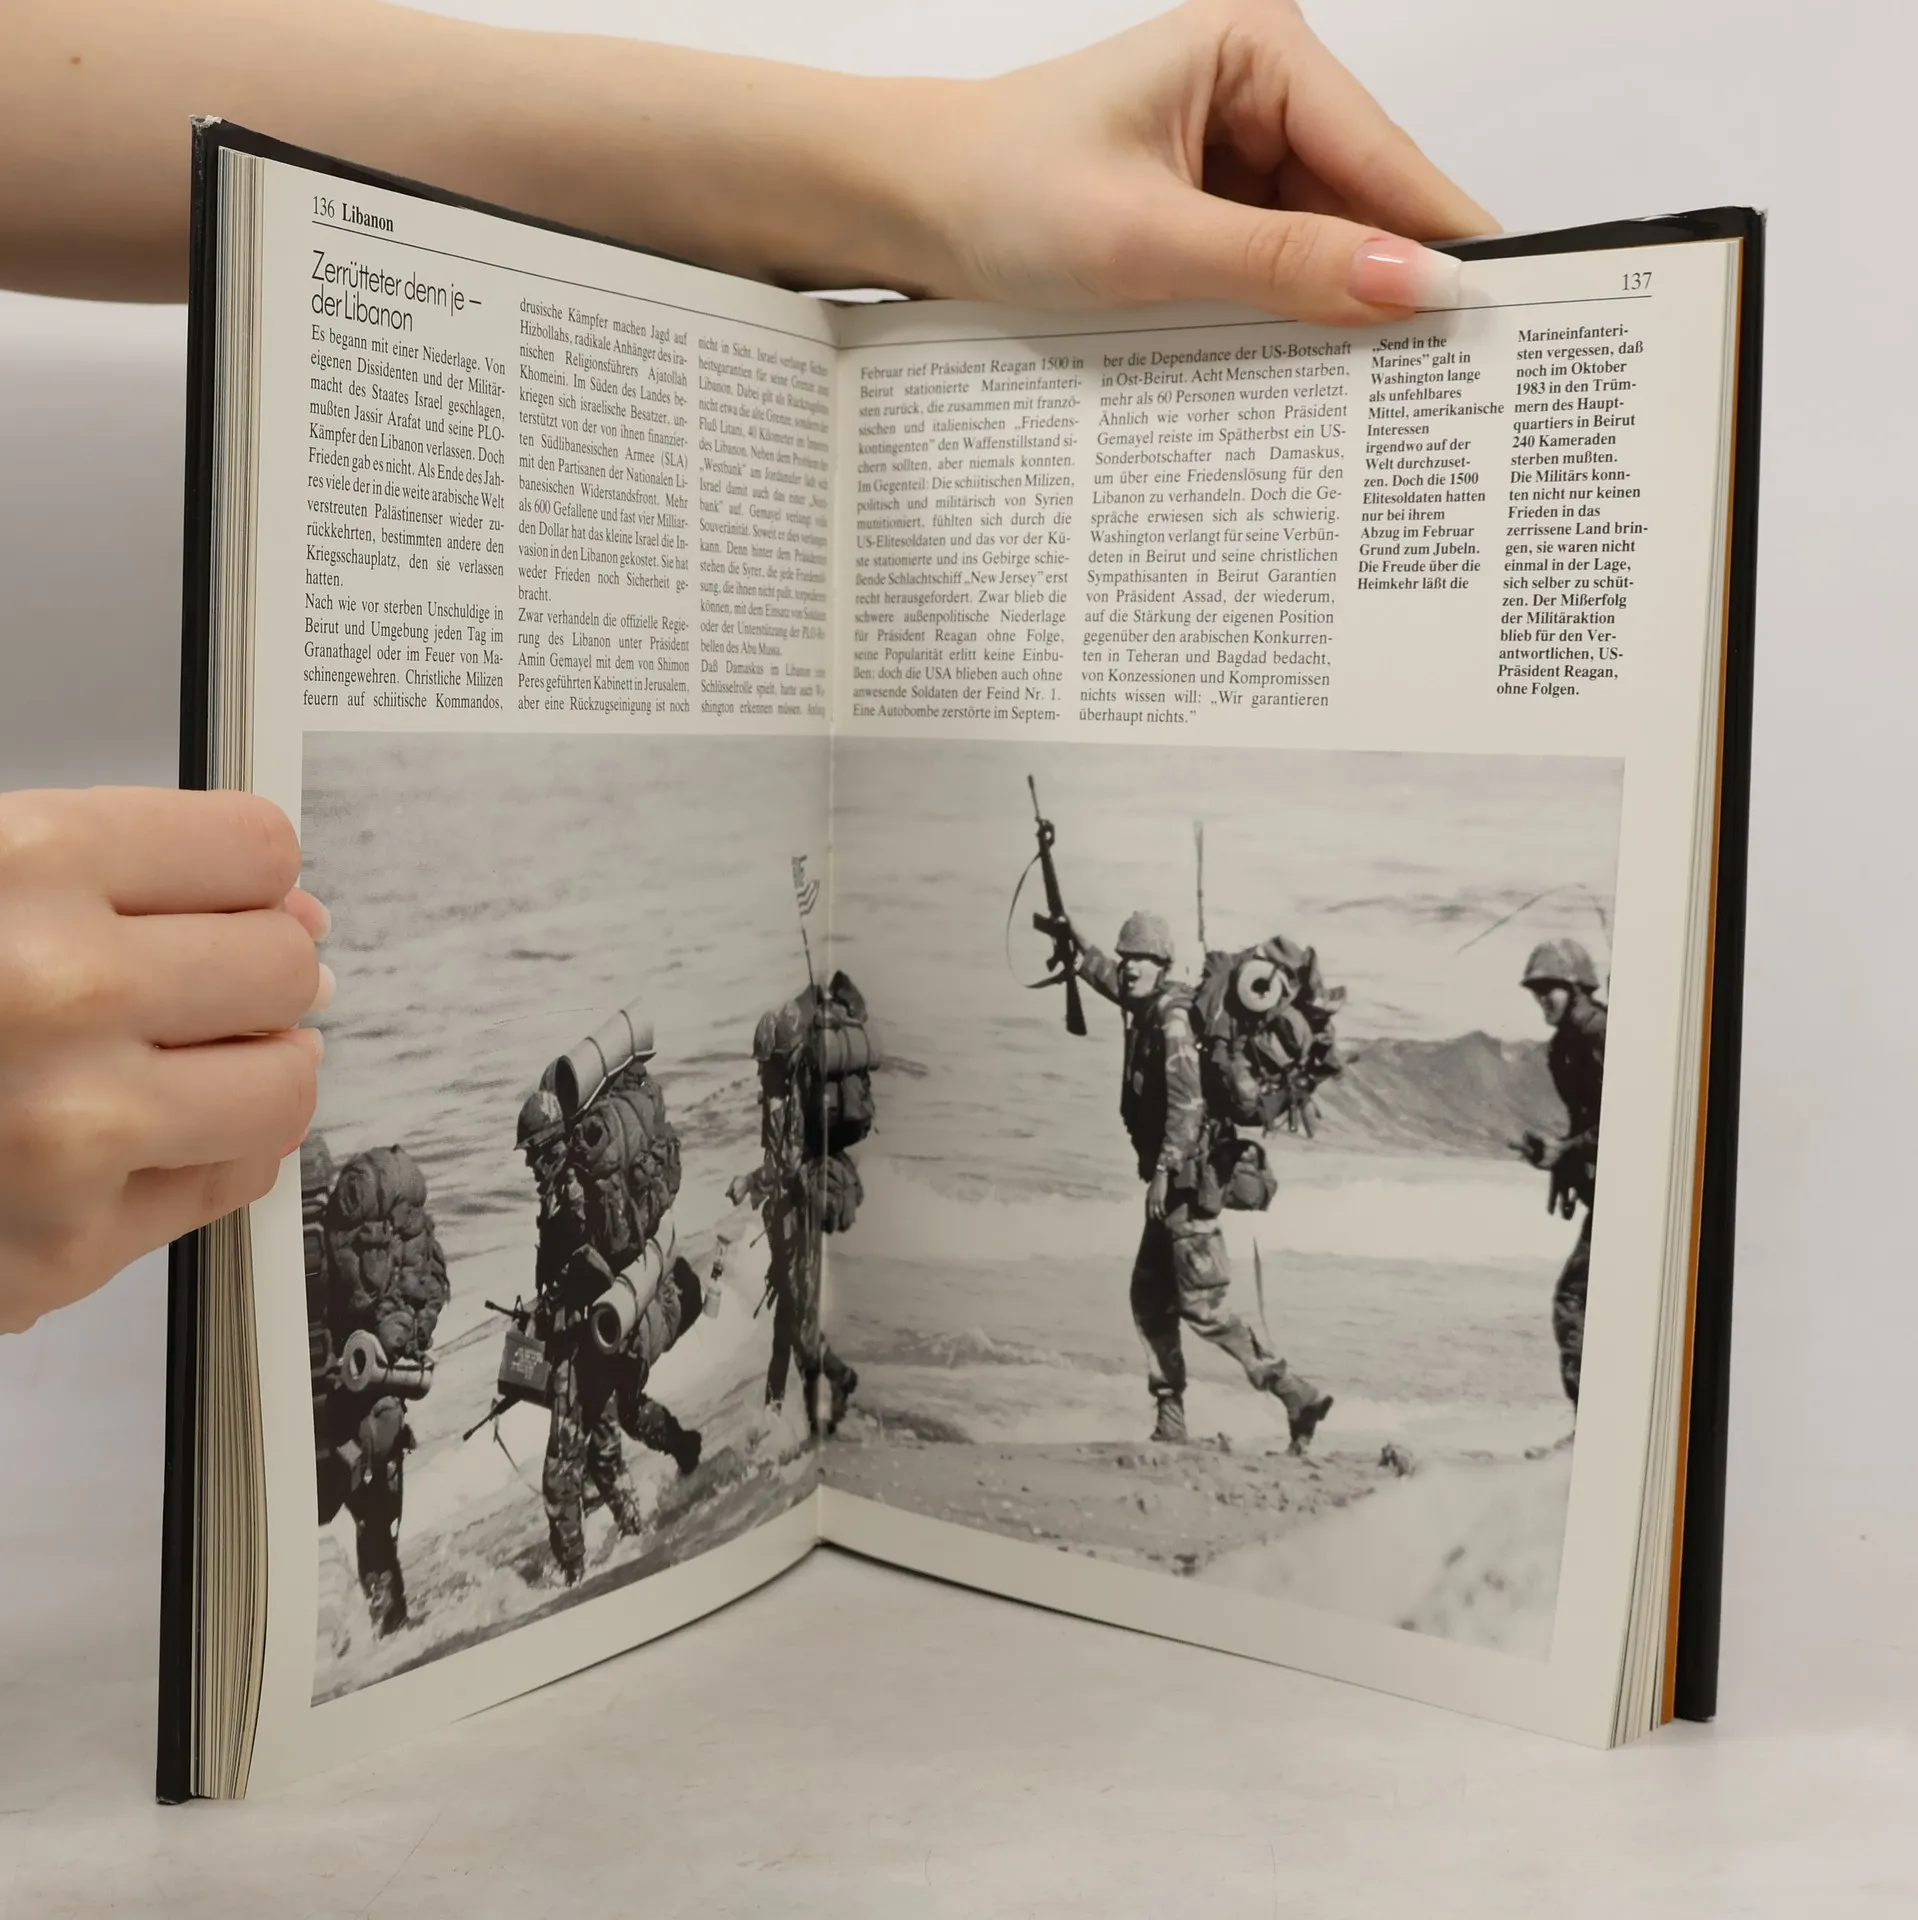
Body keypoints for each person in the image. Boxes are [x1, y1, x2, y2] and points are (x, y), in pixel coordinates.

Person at [0, 0, 1492, 1336]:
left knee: (1156, 1299)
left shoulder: (1165, 1020)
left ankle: (1226, 1391)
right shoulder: (1130, 1003)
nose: (1151, 974)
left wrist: (926, 176)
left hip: (1155, 1181)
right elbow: (1097, 972)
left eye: (1154, 964)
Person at [1072, 911, 1332, 1450]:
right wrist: (1074, 941)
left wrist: (1162, 1172)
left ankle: (1294, 1394)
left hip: (1187, 1184)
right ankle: (1171, 1419)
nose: (1129, 968)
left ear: (1163, 964)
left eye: (1141, 959)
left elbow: (1187, 1106)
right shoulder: (1149, 1003)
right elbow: (1113, 981)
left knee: (1204, 1309)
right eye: (1125, 958)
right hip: (1176, 1186)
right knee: (1150, 1296)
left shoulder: (1172, 1021)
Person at [517, 1084, 700, 1586]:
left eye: (534, 1154)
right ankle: (643, 1518)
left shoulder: (572, 1195)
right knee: (609, 1441)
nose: (530, 1165)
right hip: (605, 1339)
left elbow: (591, 1270)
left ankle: (573, 1578)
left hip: (590, 1342)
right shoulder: (569, 1187)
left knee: (561, 1474)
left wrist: (554, 1307)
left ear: (551, 1147)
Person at [304, 1129, 450, 1633]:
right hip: (368, 1412)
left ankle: (370, 1633)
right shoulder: (357, 1243)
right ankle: (389, 1628)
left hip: (332, 1418)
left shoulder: (326, 1248)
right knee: (375, 1532)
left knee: (342, 1524)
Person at [724, 994, 861, 1434]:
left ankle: (836, 1385)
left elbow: (786, 1164)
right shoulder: (784, 1096)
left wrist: (749, 1181)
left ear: (782, 1059)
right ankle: (776, 1419)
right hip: (790, 1225)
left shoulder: (797, 1096)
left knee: (798, 1329)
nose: (760, 1073)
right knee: (785, 1328)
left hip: (801, 1222)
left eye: (766, 1064)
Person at [1515, 938, 1607, 1409]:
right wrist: (1560, 1163)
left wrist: (1566, 1151)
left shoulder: (1603, 1034)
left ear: (1576, 987)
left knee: (1573, 1302)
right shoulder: (1561, 1049)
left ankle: (1591, 1423)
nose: (1541, 999)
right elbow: (1585, 1121)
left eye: (1548, 988)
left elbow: (1632, 1119)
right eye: (1536, 991)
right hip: (1612, 1197)